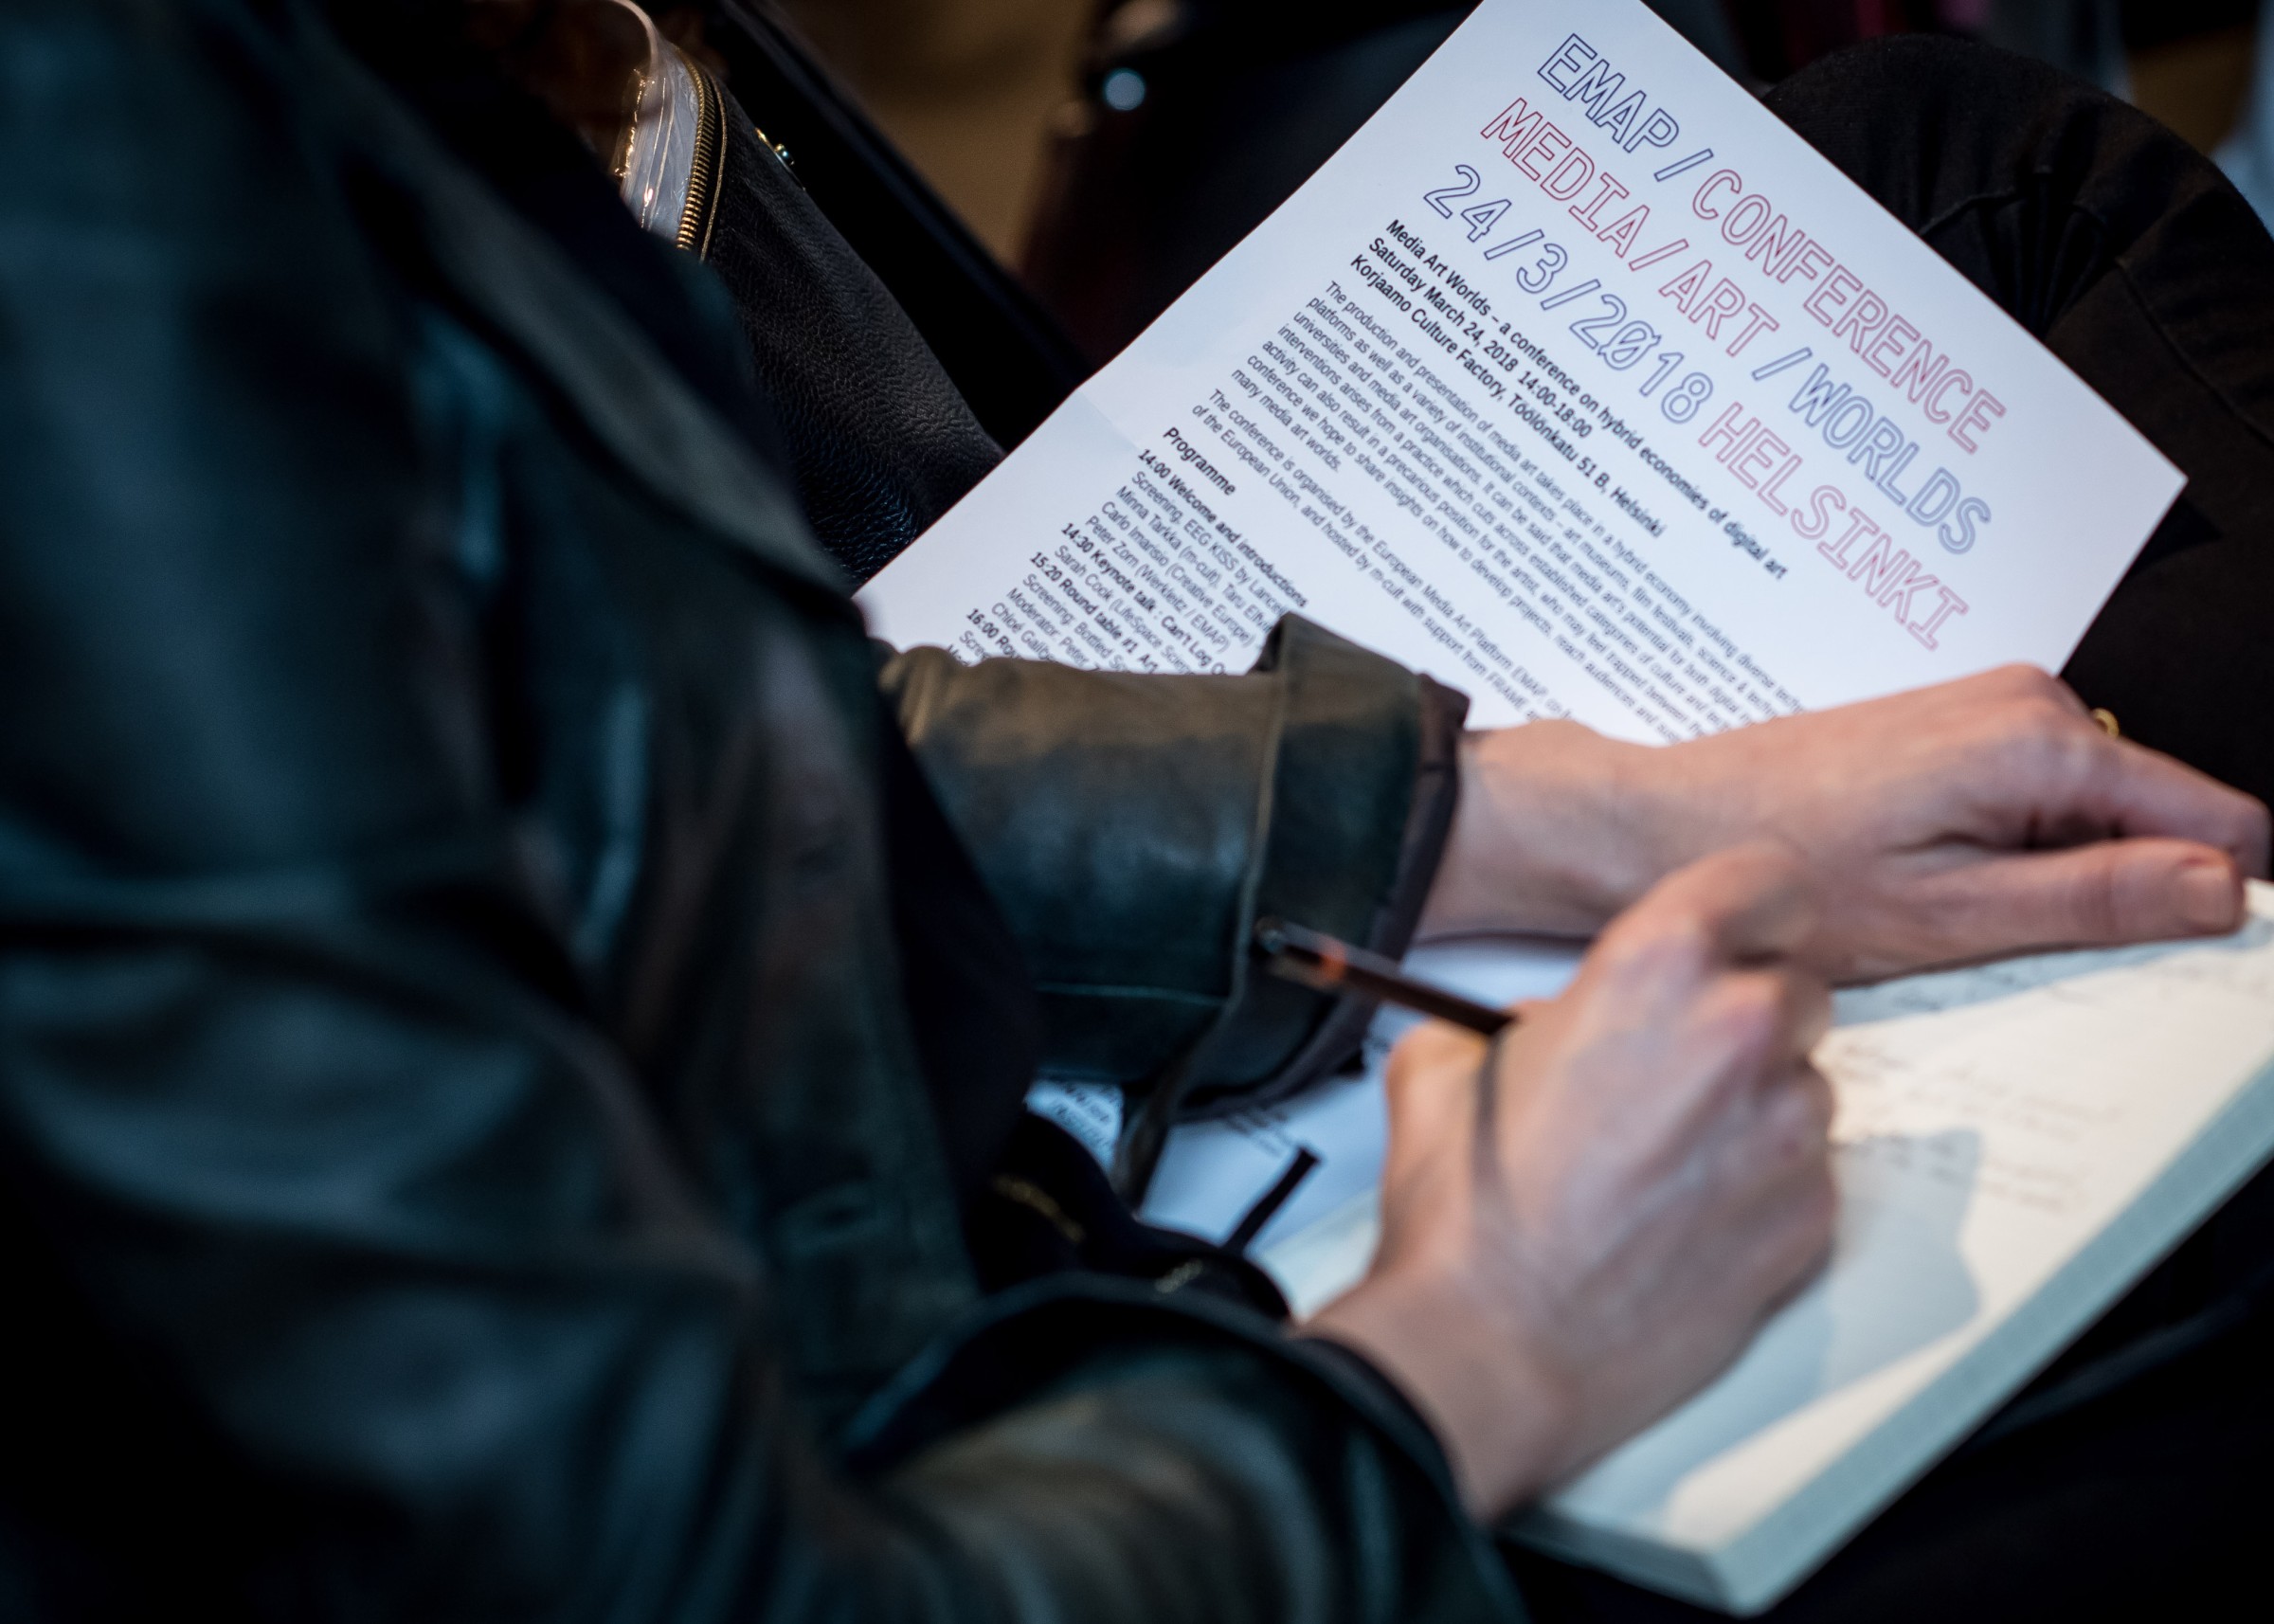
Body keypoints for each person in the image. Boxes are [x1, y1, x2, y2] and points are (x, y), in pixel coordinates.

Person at [0, 6, 2266, 1624]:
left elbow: (586, 717)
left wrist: (1511, 813)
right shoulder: (91, 215)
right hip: (1020, 1450)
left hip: (895, 1193)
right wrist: (1492, 1338)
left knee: (1982, 167)